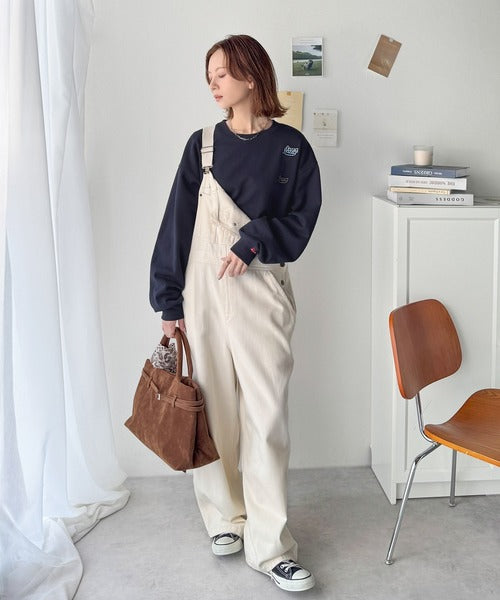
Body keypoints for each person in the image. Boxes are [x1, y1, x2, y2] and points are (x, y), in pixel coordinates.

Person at [150, 34, 321, 593]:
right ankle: (226, 518)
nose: (213, 84)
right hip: (202, 292)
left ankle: (271, 548)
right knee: (214, 409)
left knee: (266, 419)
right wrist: (168, 300)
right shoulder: (201, 146)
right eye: (209, 76)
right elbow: (176, 225)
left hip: (261, 288)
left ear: (251, 75)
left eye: (221, 73)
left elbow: (302, 221)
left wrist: (252, 241)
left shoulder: (293, 148)